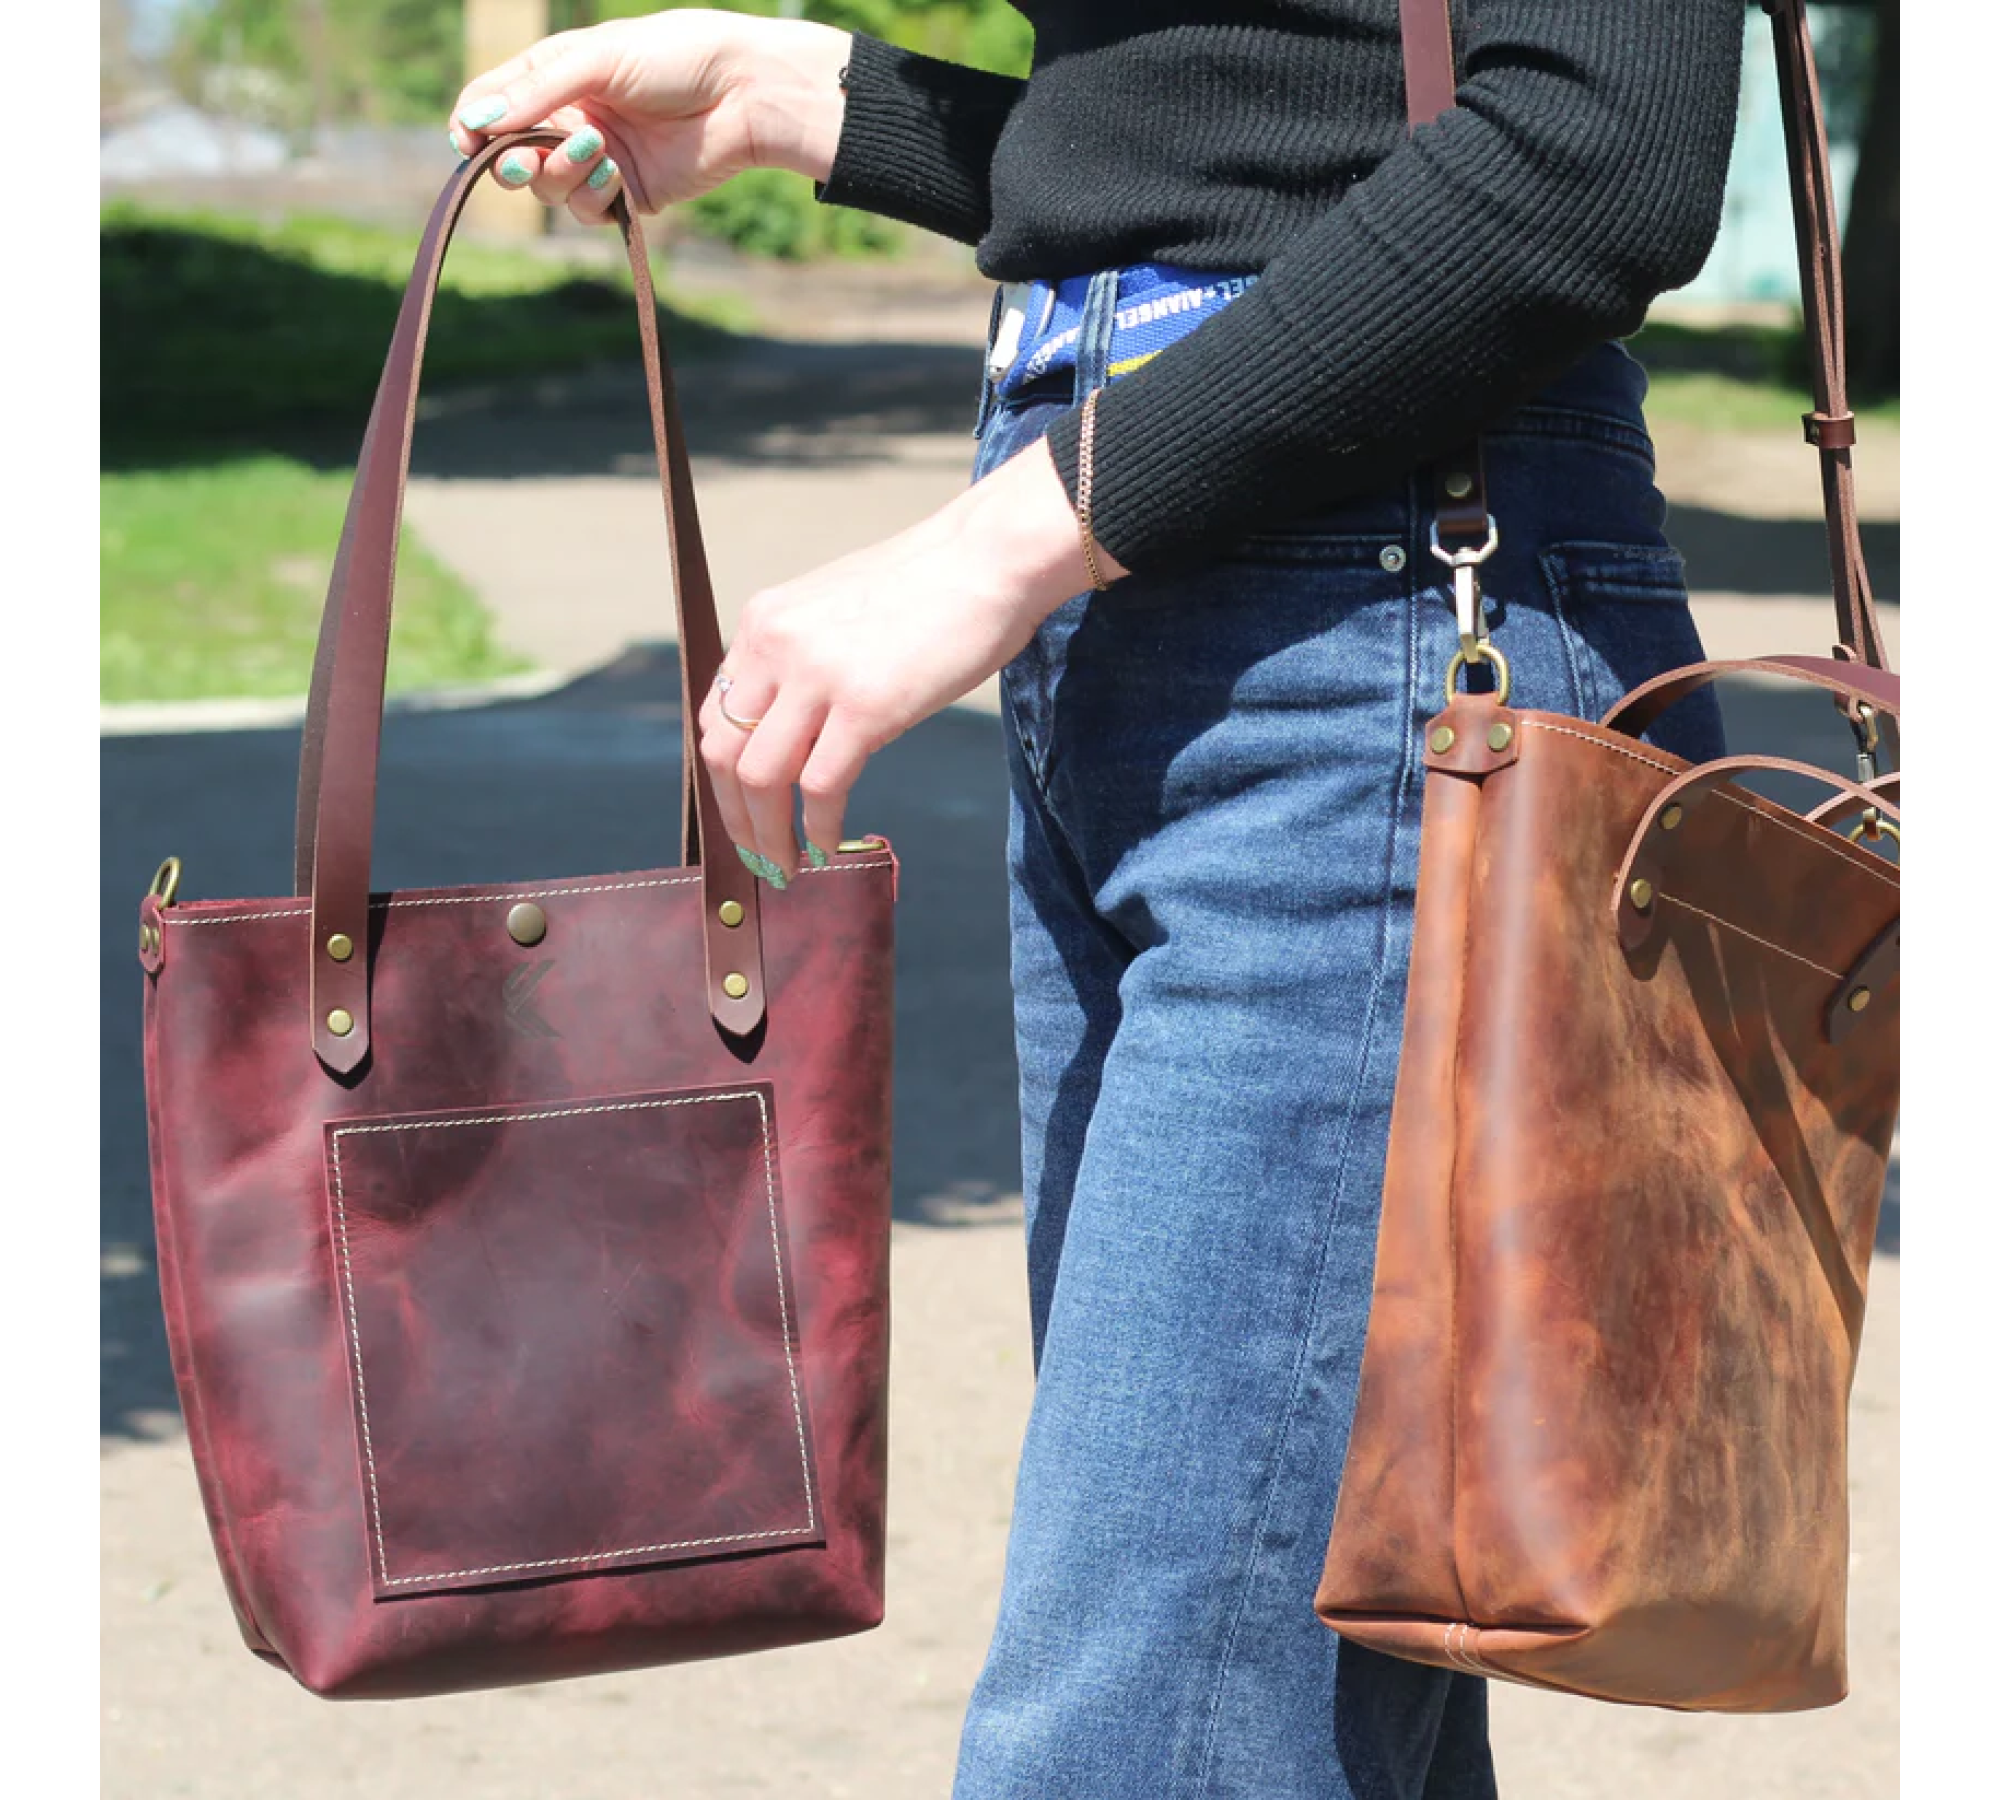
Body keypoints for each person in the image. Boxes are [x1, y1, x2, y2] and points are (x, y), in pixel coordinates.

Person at [449, 5, 1742, 1794]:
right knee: (1296, 1691)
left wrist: (1005, 542)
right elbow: (1253, 132)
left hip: (1380, 645)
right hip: (1161, 619)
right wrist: (803, 98)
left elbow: (1597, 153)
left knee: (1152, 1723)